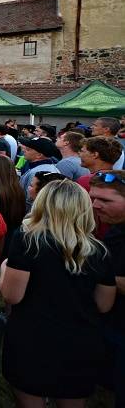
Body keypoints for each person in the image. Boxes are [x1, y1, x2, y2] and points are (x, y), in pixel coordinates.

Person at [0, 180, 116, 406]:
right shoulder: (98, 250)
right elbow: (104, 304)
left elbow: (12, 296)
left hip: (32, 340)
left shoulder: (28, 241)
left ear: (43, 205)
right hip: (80, 342)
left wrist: (6, 268)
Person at [87, 171, 125, 405]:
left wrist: (93, 272)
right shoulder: (115, 228)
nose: (96, 206)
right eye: (93, 198)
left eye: (106, 200)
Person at [18, 137, 61, 208]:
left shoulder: (38, 172)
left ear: (39, 155)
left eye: (28, 149)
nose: (24, 150)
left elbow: (31, 201)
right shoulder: (46, 167)